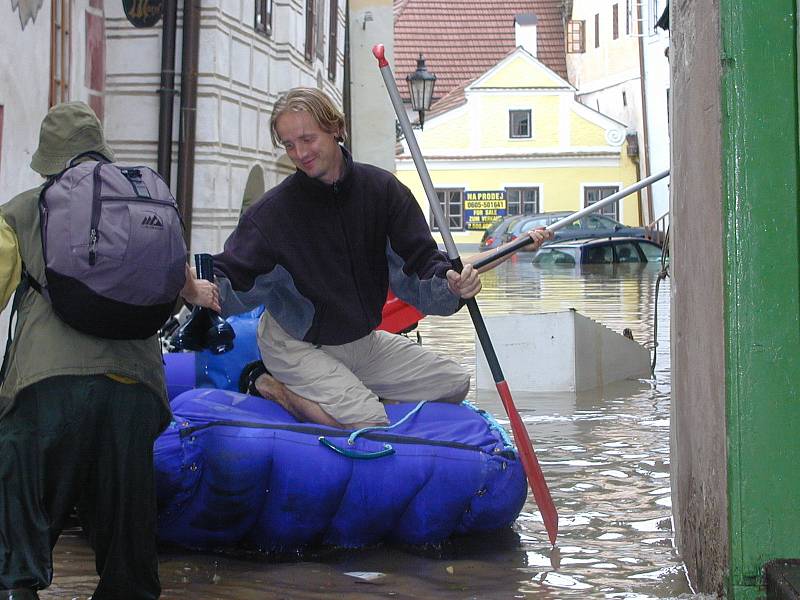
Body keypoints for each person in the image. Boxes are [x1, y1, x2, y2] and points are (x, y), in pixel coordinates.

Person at [183, 87, 550, 429]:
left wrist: (452, 286)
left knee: (453, 383)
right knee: (369, 420)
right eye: (289, 145)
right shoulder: (273, 215)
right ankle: (272, 386)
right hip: (295, 343)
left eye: (307, 139)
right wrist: (199, 289)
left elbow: (421, 264)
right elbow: (232, 275)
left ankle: (348, 400)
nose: (300, 153)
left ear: (336, 129)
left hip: (360, 340)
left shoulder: (383, 192)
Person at [0, 102, 213, 600]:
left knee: (19, 503)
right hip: (136, 391)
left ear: (50, 160)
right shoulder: (143, 205)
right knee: (127, 535)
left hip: (48, 390)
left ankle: (17, 586)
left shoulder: (25, 209)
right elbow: (178, 277)